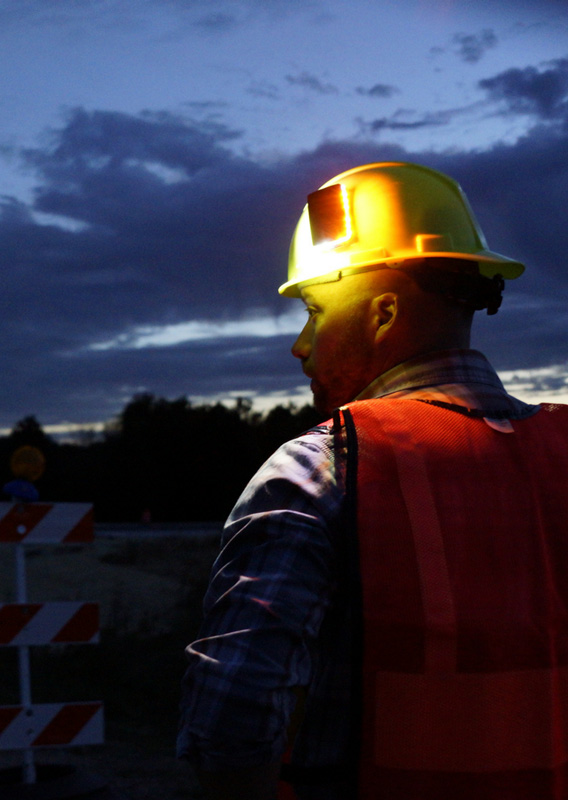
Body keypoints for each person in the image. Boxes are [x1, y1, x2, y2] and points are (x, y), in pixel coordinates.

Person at [177, 161, 568, 799]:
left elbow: (230, 717)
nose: (300, 345)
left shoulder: (320, 467)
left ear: (383, 312)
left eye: (313, 311)